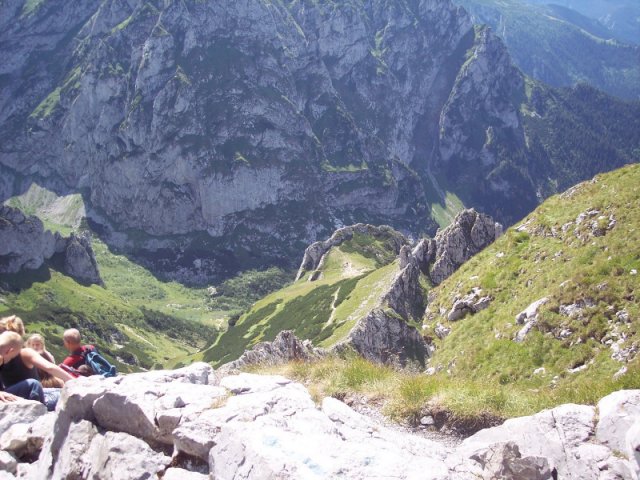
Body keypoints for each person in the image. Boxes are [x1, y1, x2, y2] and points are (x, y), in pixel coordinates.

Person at [0, 331, 74, 410]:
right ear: (10, 351)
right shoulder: (25, 353)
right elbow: (50, 368)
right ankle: (39, 410)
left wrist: (75, 382)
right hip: (24, 395)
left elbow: (50, 367)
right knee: (33, 384)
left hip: (22, 393)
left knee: (62, 392)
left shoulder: (22, 354)